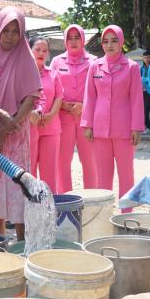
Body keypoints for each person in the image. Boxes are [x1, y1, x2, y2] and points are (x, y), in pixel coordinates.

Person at [0, 6, 41, 241]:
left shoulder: (25, 57)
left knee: (16, 184)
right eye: (6, 30)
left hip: (15, 131)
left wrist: (6, 126)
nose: (10, 36)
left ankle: (22, 240)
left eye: (16, 31)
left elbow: (32, 97)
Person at [81, 25, 144, 210]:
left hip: (124, 128)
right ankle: (104, 212)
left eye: (114, 40)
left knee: (126, 174)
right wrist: (87, 124)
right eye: (106, 41)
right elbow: (89, 97)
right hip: (99, 128)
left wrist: (136, 128)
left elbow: (136, 99)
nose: (109, 45)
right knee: (103, 175)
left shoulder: (131, 67)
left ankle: (126, 213)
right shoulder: (95, 66)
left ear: (121, 42)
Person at [50, 25, 97, 193]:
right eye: (69, 38)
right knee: (62, 162)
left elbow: (98, 89)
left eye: (77, 37)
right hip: (63, 118)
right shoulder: (57, 61)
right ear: (65, 41)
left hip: (87, 119)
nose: (73, 41)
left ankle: (92, 200)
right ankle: (65, 200)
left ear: (83, 39)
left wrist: (84, 105)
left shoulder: (93, 61)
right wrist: (62, 104)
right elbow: (52, 87)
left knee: (90, 162)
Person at [28, 36, 63, 194]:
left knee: (50, 173)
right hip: (29, 128)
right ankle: (28, 212)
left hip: (51, 128)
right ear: (29, 50)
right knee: (29, 172)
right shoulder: (22, 73)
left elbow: (59, 96)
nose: (41, 53)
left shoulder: (53, 74)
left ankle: (51, 210)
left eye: (44, 50)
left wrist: (50, 115)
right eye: (37, 49)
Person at [140, 50, 150, 135]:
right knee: (143, 110)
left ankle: (148, 128)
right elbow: (138, 79)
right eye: (145, 58)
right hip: (142, 91)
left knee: (146, 110)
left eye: (148, 57)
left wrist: (143, 79)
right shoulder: (141, 68)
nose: (147, 59)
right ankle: (146, 127)